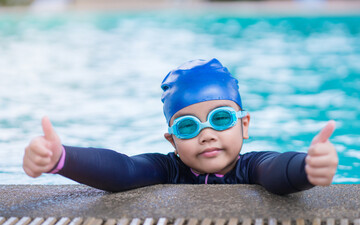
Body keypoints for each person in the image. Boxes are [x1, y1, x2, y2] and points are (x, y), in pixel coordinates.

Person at [23, 58, 339, 195]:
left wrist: (307, 167)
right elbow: (125, 169)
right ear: (172, 141)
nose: (207, 134)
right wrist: (62, 159)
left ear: (244, 125)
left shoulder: (252, 167)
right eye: (188, 127)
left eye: (221, 118)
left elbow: (277, 169)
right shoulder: (168, 169)